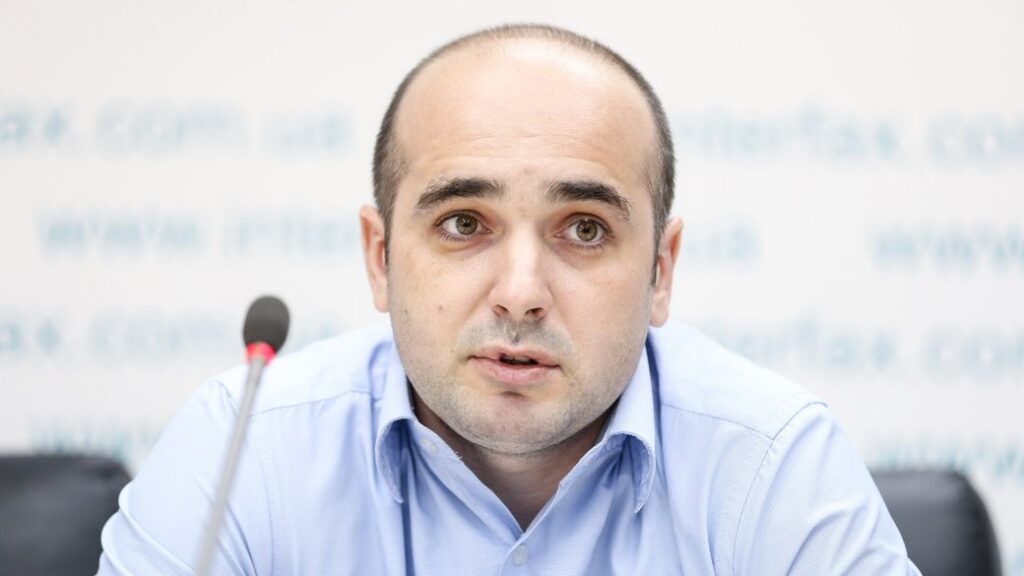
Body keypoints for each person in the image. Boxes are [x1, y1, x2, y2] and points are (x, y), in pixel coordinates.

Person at [97, 24, 921, 575]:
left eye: (585, 230)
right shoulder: (244, 447)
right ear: (380, 258)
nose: (522, 294)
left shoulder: (769, 464)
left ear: (661, 271)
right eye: (464, 223)